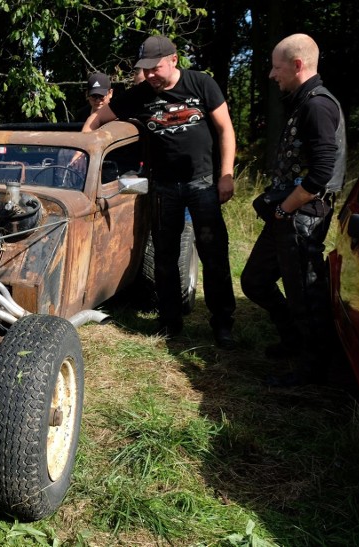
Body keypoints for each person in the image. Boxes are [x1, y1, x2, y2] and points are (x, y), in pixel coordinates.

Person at [79, 35, 237, 348]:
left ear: (174, 60)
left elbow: (225, 129)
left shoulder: (201, 84)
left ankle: (223, 324)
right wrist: (82, 144)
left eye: (155, 68)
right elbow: (100, 116)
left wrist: (227, 174)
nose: (150, 74)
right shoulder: (140, 95)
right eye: (145, 69)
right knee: (164, 256)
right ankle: (169, 321)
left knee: (214, 253)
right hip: (163, 188)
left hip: (203, 183)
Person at [241, 34, 346, 385]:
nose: (272, 74)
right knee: (255, 280)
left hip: (302, 216)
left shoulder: (317, 105)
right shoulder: (303, 101)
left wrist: (286, 209)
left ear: (297, 65)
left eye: (276, 66)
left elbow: (321, 172)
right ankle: (293, 341)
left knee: (305, 294)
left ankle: (311, 368)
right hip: (287, 215)